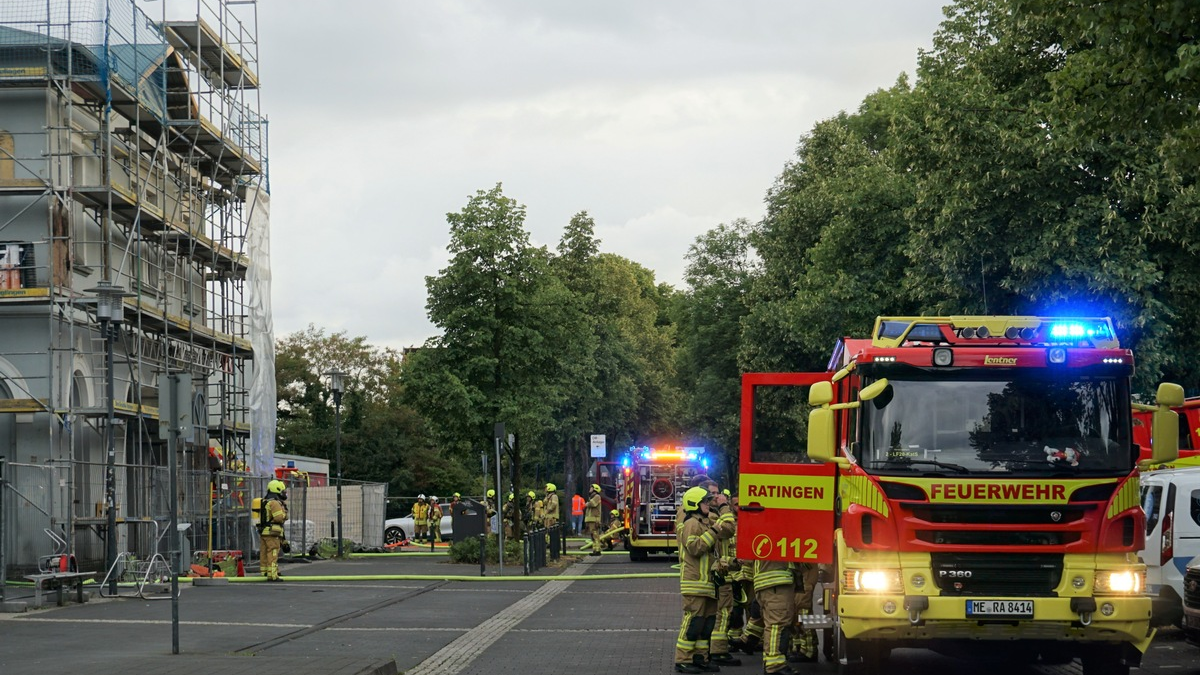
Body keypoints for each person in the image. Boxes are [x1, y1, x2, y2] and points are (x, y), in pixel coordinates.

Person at [674, 485, 735, 673]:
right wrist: (713, 532)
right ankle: (683, 659)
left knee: (706, 623)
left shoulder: (706, 522)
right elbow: (694, 547)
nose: (708, 504)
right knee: (693, 621)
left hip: (708, 584)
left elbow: (712, 553)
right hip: (695, 583)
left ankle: (700, 657)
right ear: (695, 504)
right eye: (705, 501)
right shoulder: (691, 523)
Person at [754, 555, 798, 675]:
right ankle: (775, 666)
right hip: (776, 581)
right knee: (777, 624)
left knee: (777, 623)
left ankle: (773, 663)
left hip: (774, 581)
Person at [257, 479, 289, 582]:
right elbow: (279, 518)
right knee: (273, 552)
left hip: (264, 532)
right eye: (282, 491)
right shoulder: (275, 503)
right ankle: (273, 575)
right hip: (272, 532)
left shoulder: (265, 501)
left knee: (264, 552)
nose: (284, 494)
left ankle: (265, 571)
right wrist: (285, 515)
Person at [584, 483, 603, 556]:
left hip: (594, 520)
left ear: (595, 489)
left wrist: (586, 504)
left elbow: (592, 504)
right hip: (590, 519)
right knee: (593, 536)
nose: (590, 489)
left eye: (591, 488)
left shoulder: (597, 496)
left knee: (595, 535)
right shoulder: (591, 497)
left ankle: (597, 550)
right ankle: (595, 550)